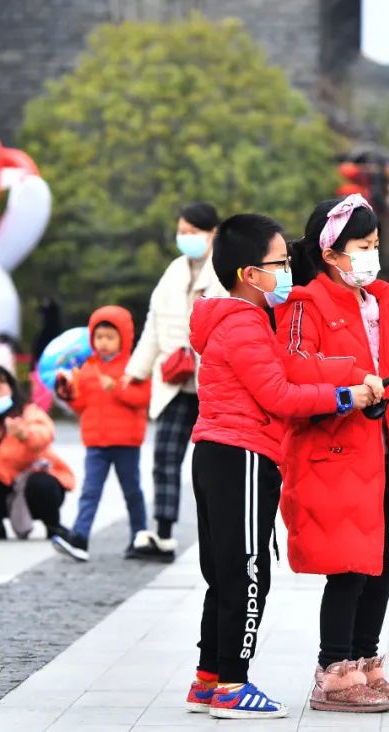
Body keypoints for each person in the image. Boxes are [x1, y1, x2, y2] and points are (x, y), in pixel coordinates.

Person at [183, 213, 380, 719]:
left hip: (217, 453)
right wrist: (348, 394)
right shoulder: (244, 323)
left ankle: (208, 679)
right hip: (242, 453)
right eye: (281, 263)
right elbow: (280, 395)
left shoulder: (232, 320)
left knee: (224, 572)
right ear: (250, 274)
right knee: (249, 575)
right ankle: (232, 684)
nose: (289, 271)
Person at [279, 194, 389, 713]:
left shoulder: (384, 302)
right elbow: (297, 371)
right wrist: (354, 382)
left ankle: (367, 663)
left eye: (375, 246)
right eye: (363, 247)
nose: (372, 256)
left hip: (385, 453)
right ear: (331, 253)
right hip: (335, 455)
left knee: (384, 560)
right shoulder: (305, 305)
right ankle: (335, 673)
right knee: (348, 565)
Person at [124, 202, 227, 562]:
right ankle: (164, 533)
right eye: (182, 230)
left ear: (213, 232)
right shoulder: (172, 272)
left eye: (192, 231)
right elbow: (153, 324)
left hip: (213, 384)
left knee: (212, 465)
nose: (185, 237)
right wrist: (135, 371)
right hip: (173, 381)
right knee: (164, 458)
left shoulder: (224, 270)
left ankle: (218, 531)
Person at [51, 306, 151, 562]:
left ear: (123, 338)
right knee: (90, 491)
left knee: (132, 491)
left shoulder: (134, 366)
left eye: (110, 337)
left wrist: (117, 388)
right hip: (96, 441)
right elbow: (81, 405)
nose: (103, 343)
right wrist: (68, 395)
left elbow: (143, 398)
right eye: (99, 337)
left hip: (126, 441)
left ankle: (139, 535)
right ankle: (80, 538)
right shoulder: (87, 368)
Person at [0, 365, 78, 543]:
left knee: (42, 483)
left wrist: (25, 435)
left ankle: (52, 524)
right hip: (2, 485)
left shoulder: (28, 412)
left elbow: (45, 433)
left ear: (11, 388)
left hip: (31, 482)